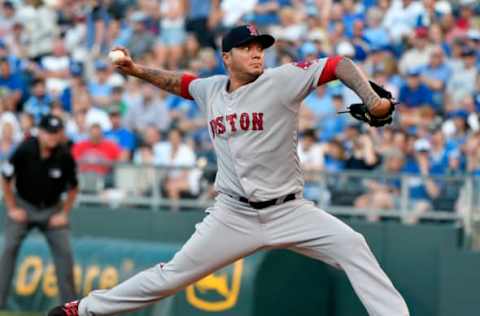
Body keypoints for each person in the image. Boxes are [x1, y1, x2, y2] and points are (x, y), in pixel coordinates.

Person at [49, 24, 409, 316]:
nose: (256, 53)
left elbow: (339, 64)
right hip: (232, 214)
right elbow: (178, 82)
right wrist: (136, 69)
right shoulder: (211, 90)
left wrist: (373, 101)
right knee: (170, 276)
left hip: (289, 209)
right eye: (247, 47)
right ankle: (83, 310)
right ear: (226, 57)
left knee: (353, 246)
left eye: (260, 47)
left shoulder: (282, 79)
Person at [0, 114, 78, 308]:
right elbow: (5, 177)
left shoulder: (65, 155)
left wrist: (64, 213)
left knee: (65, 254)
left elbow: (74, 187)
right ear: (41, 132)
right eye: (49, 132)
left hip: (52, 210)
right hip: (24, 206)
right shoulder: (25, 148)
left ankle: (70, 309)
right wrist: (12, 208)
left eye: (56, 133)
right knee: (8, 250)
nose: (52, 136)